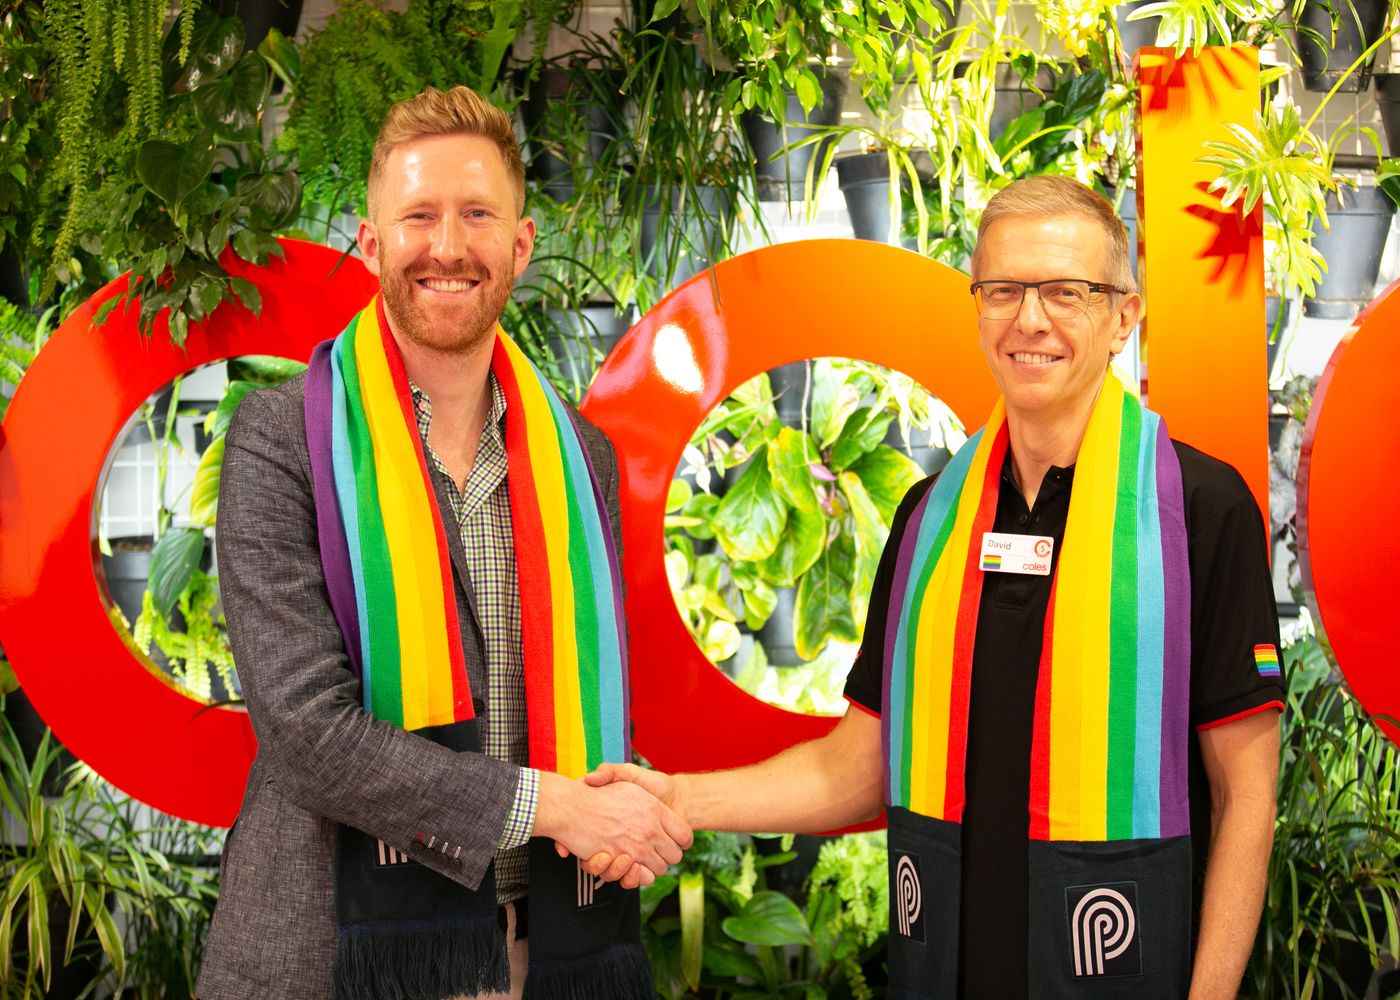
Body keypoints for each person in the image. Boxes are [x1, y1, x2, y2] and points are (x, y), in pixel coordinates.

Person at [584, 176, 1284, 1000]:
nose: (1031, 320)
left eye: (1067, 292)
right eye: (1004, 291)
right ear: (979, 308)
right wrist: (676, 798)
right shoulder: (930, 520)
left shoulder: (1197, 509)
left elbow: (1247, 793)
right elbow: (858, 765)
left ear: (1123, 317)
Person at [196, 85, 689, 1000]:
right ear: (374, 242)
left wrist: (631, 811)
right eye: (419, 216)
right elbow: (309, 734)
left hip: (538, 951)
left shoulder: (580, 458)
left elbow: (585, 702)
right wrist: (558, 808)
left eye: (477, 215)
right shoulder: (279, 442)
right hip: (332, 956)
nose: (449, 246)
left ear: (521, 243)